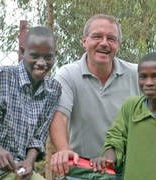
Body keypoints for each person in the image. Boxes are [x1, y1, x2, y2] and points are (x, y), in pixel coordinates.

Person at [49, 14, 140, 177]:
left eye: (111, 39)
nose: (104, 43)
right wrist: (64, 150)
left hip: (125, 169)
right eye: (97, 36)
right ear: (84, 41)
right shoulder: (68, 74)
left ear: (118, 45)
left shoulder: (138, 75)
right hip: (82, 168)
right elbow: (60, 116)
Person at [0, 26, 61, 179]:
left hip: (22, 167)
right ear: (22, 52)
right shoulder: (0, 77)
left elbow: (38, 137)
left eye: (48, 57)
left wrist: (29, 162)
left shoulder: (53, 90)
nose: (41, 62)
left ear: (55, 55)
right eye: (34, 56)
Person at [91, 52, 156, 180]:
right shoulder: (131, 107)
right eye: (143, 77)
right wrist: (108, 158)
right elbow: (115, 139)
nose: (148, 82)